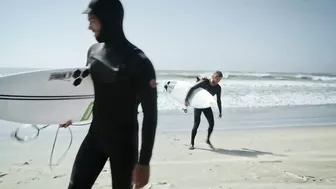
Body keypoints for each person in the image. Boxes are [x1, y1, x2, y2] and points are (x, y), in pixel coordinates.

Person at [60, 0, 158, 188]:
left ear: (109, 20)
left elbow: (151, 115)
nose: (89, 27)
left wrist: (144, 161)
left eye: (93, 20)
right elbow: (89, 91)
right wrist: (71, 113)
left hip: (124, 143)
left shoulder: (139, 62)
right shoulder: (93, 52)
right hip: (95, 136)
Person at [184, 71, 223, 150]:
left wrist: (220, 111)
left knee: (211, 124)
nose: (218, 81)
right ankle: (192, 143)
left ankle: (207, 139)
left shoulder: (218, 88)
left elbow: (218, 100)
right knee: (196, 124)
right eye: (217, 79)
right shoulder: (204, 82)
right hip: (198, 105)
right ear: (213, 77)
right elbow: (192, 88)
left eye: (219, 80)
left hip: (206, 106)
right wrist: (186, 99)